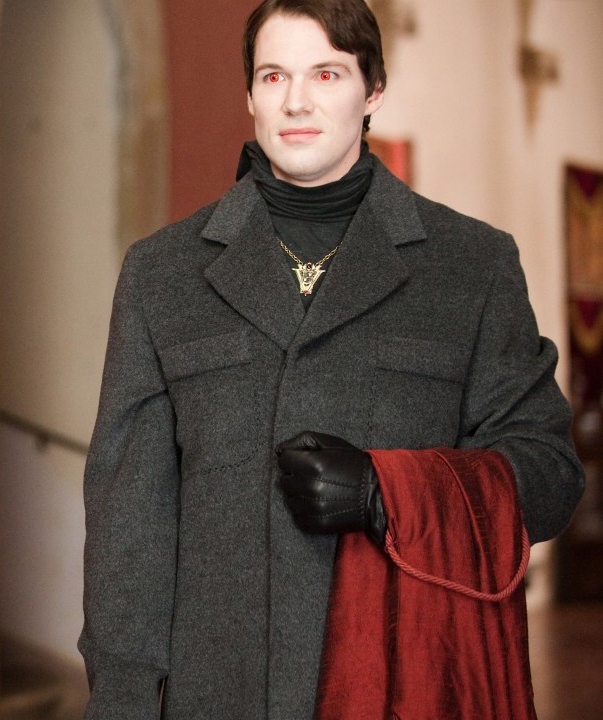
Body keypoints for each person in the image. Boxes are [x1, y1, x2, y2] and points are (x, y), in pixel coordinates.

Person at [79, 1, 584, 718]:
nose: (296, 101)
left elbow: (551, 477)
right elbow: (127, 527)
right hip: (221, 695)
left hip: (404, 687)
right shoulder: (162, 275)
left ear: (372, 90)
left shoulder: (472, 266)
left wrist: (388, 494)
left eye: (326, 73)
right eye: (273, 75)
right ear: (249, 95)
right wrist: (122, 702)